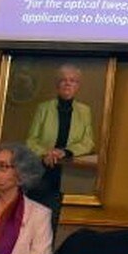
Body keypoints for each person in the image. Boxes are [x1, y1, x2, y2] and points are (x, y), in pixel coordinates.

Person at [26, 64, 95, 195]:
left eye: (72, 80)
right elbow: (31, 141)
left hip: (71, 171)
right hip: (43, 166)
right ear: (57, 85)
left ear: (77, 86)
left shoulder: (85, 111)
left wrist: (66, 152)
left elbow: (88, 142)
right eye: (63, 80)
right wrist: (47, 153)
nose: (68, 84)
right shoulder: (43, 108)